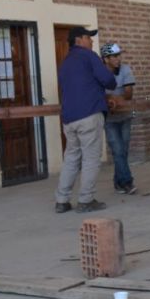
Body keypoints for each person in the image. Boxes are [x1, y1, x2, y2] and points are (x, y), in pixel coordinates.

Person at [54, 27, 116, 213]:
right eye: (89, 38)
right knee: (90, 159)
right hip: (89, 115)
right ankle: (86, 200)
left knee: (71, 158)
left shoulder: (65, 62)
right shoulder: (89, 56)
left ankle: (62, 201)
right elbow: (108, 80)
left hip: (68, 119)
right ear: (79, 39)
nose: (92, 41)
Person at [101, 42, 138, 195]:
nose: (118, 59)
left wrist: (112, 98)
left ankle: (118, 183)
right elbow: (100, 95)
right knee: (117, 150)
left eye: (118, 55)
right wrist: (111, 97)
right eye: (114, 56)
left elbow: (129, 93)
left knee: (123, 151)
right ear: (106, 59)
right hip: (109, 119)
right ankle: (127, 182)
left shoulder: (125, 69)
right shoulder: (100, 73)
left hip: (125, 115)